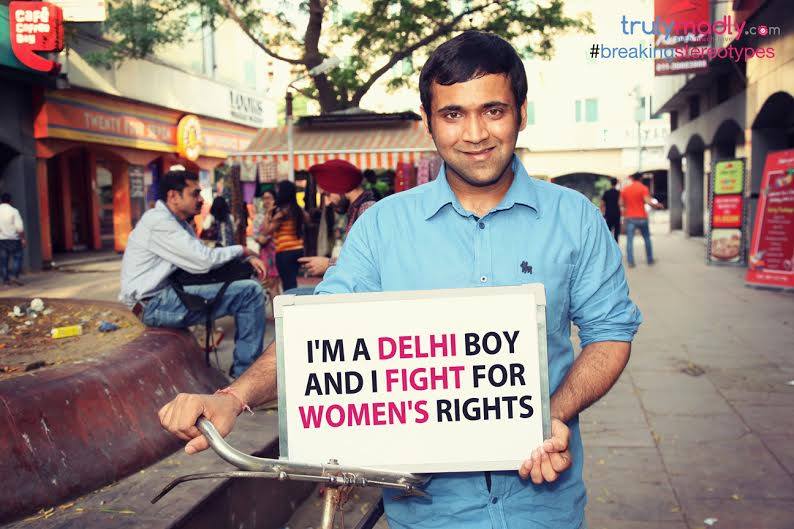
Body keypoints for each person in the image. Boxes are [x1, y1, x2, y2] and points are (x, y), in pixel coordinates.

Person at [158, 31, 642, 529]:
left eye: (493, 110)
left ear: (520, 112)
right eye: (452, 114)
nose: (475, 133)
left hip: (544, 508)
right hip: (427, 514)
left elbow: (610, 333)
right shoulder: (381, 227)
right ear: (428, 123)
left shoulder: (575, 218)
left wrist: (551, 415)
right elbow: (316, 339)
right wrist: (231, 398)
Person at [119, 169, 268, 378]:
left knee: (246, 286)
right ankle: (246, 375)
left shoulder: (176, 223)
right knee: (250, 293)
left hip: (162, 298)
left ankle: (244, 370)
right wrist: (242, 250)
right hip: (153, 305)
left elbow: (201, 259)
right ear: (173, 196)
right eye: (194, 193)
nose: (201, 200)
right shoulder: (159, 222)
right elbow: (203, 261)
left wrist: (243, 262)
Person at [298, 159, 377, 277]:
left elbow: (370, 260)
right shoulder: (358, 209)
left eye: (327, 194)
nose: (328, 201)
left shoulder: (366, 210)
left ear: (341, 187)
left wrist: (328, 264)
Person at [265, 180, 308, 291]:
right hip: (298, 250)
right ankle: (295, 299)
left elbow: (267, 230)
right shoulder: (298, 210)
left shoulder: (282, 213)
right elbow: (308, 219)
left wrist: (268, 213)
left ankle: (290, 301)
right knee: (292, 281)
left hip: (284, 252)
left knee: (287, 284)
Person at [620, 173, 663, 267]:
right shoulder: (643, 188)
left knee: (629, 240)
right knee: (647, 238)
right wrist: (657, 205)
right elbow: (648, 201)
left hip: (630, 217)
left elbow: (621, 203)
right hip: (642, 217)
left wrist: (629, 205)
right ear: (640, 178)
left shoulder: (625, 189)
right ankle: (650, 260)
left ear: (632, 179)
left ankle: (631, 262)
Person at [255, 189, 282, 303]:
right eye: (264, 198)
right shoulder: (259, 217)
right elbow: (258, 236)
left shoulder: (279, 214)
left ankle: (278, 311)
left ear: (275, 199)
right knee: (271, 286)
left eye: (269, 198)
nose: (266, 201)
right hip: (266, 255)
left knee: (275, 286)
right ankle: (277, 311)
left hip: (278, 252)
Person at [0, 193, 25, 286]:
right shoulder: (14, 211)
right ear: (10, 201)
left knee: (3, 260)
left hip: (2, 240)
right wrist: (22, 239)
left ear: (1, 200)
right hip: (14, 239)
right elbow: (19, 228)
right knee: (17, 258)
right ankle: (15, 276)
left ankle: (5, 280)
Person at [601, 177, 621, 243]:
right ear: (616, 183)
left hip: (608, 213)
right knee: (616, 232)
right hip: (617, 214)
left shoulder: (606, 192)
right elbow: (620, 203)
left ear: (610, 183)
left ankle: (608, 245)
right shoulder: (619, 193)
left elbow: (602, 203)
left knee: (608, 231)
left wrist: (603, 212)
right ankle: (616, 245)